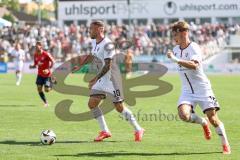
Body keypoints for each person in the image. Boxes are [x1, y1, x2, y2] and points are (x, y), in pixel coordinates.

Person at [73, 21, 144, 142]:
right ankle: (105, 131)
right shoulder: (94, 42)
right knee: (92, 104)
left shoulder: (108, 44)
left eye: (92, 29)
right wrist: (80, 65)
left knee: (119, 107)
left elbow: (108, 65)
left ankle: (138, 129)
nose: (89, 31)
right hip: (101, 79)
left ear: (100, 29)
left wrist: (95, 78)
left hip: (112, 80)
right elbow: (92, 55)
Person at [167, 21, 231, 154]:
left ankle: (225, 144)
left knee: (213, 119)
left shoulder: (194, 47)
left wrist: (176, 60)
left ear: (184, 33)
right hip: (187, 90)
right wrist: (175, 57)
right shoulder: (175, 50)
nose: (174, 37)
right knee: (183, 115)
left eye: (175, 34)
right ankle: (203, 122)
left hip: (202, 89)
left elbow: (194, 65)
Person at [29, 41, 55, 107]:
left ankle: (52, 83)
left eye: (38, 45)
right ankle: (46, 102)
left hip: (47, 75)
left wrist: (48, 69)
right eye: (36, 45)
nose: (37, 46)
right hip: (40, 74)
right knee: (39, 88)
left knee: (47, 90)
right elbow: (35, 64)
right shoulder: (35, 55)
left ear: (41, 46)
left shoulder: (46, 54)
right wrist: (32, 66)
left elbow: (53, 61)